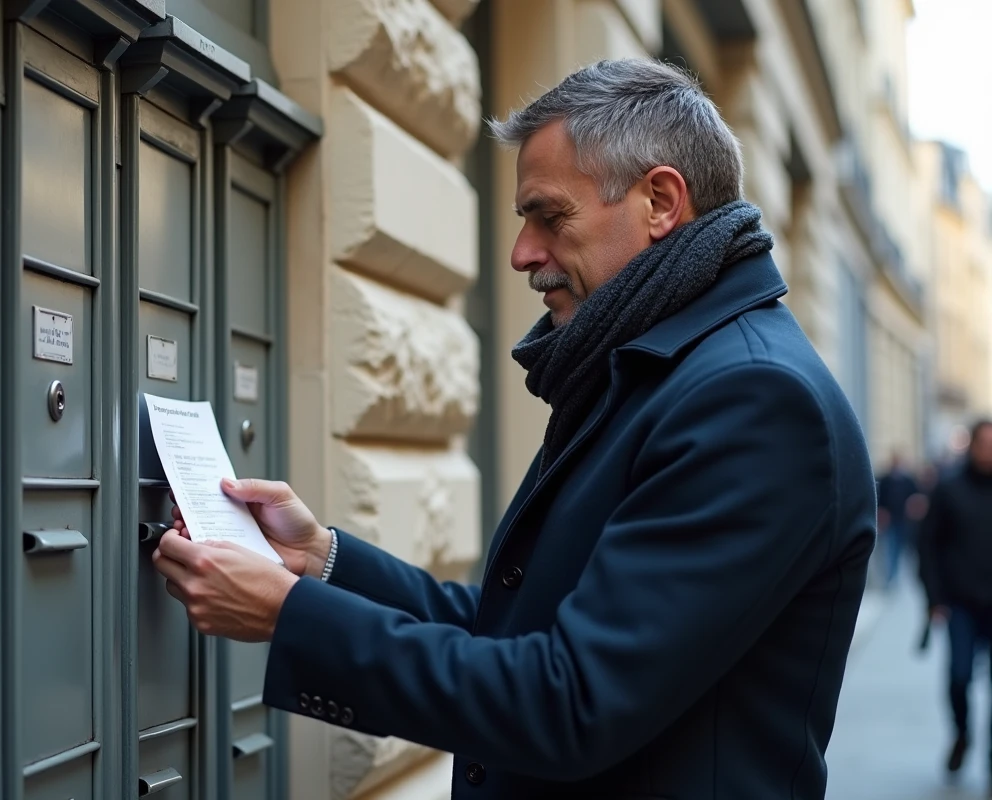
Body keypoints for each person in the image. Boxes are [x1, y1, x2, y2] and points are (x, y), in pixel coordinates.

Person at [152, 59, 876, 799]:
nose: (522, 253)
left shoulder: (752, 399)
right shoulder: (660, 369)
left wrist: (290, 615)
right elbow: (523, 628)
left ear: (661, 201)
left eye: (549, 216)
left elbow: (573, 701)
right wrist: (323, 563)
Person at [917, 419, 992, 785]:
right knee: (959, 677)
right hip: (960, 602)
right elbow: (927, 545)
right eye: (984, 444)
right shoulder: (949, 489)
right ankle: (962, 734)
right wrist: (934, 598)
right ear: (972, 446)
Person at [876, 451, 920, 588]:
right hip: (890, 520)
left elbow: (916, 497)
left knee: (904, 549)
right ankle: (891, 577)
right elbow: (880, 498)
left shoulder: (908, 480)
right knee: (891, 548)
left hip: (905, 520)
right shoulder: (886, 480)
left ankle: (901, 576)